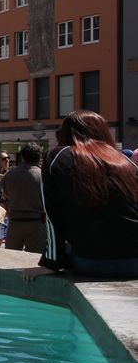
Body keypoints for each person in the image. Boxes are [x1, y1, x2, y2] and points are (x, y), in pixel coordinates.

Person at [40, 110, 138, 278]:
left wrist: (51, 263)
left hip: (92, 261)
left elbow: (52, 215)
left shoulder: (57, 157)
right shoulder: (125, 161)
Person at [1, 142, 46, 253]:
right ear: (39, 157)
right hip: (36, 223)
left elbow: (5, 195)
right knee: (33, 260)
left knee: (10, 259)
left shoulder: (9, 175)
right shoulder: (43, 176)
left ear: (22, 156)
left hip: (14, 223)